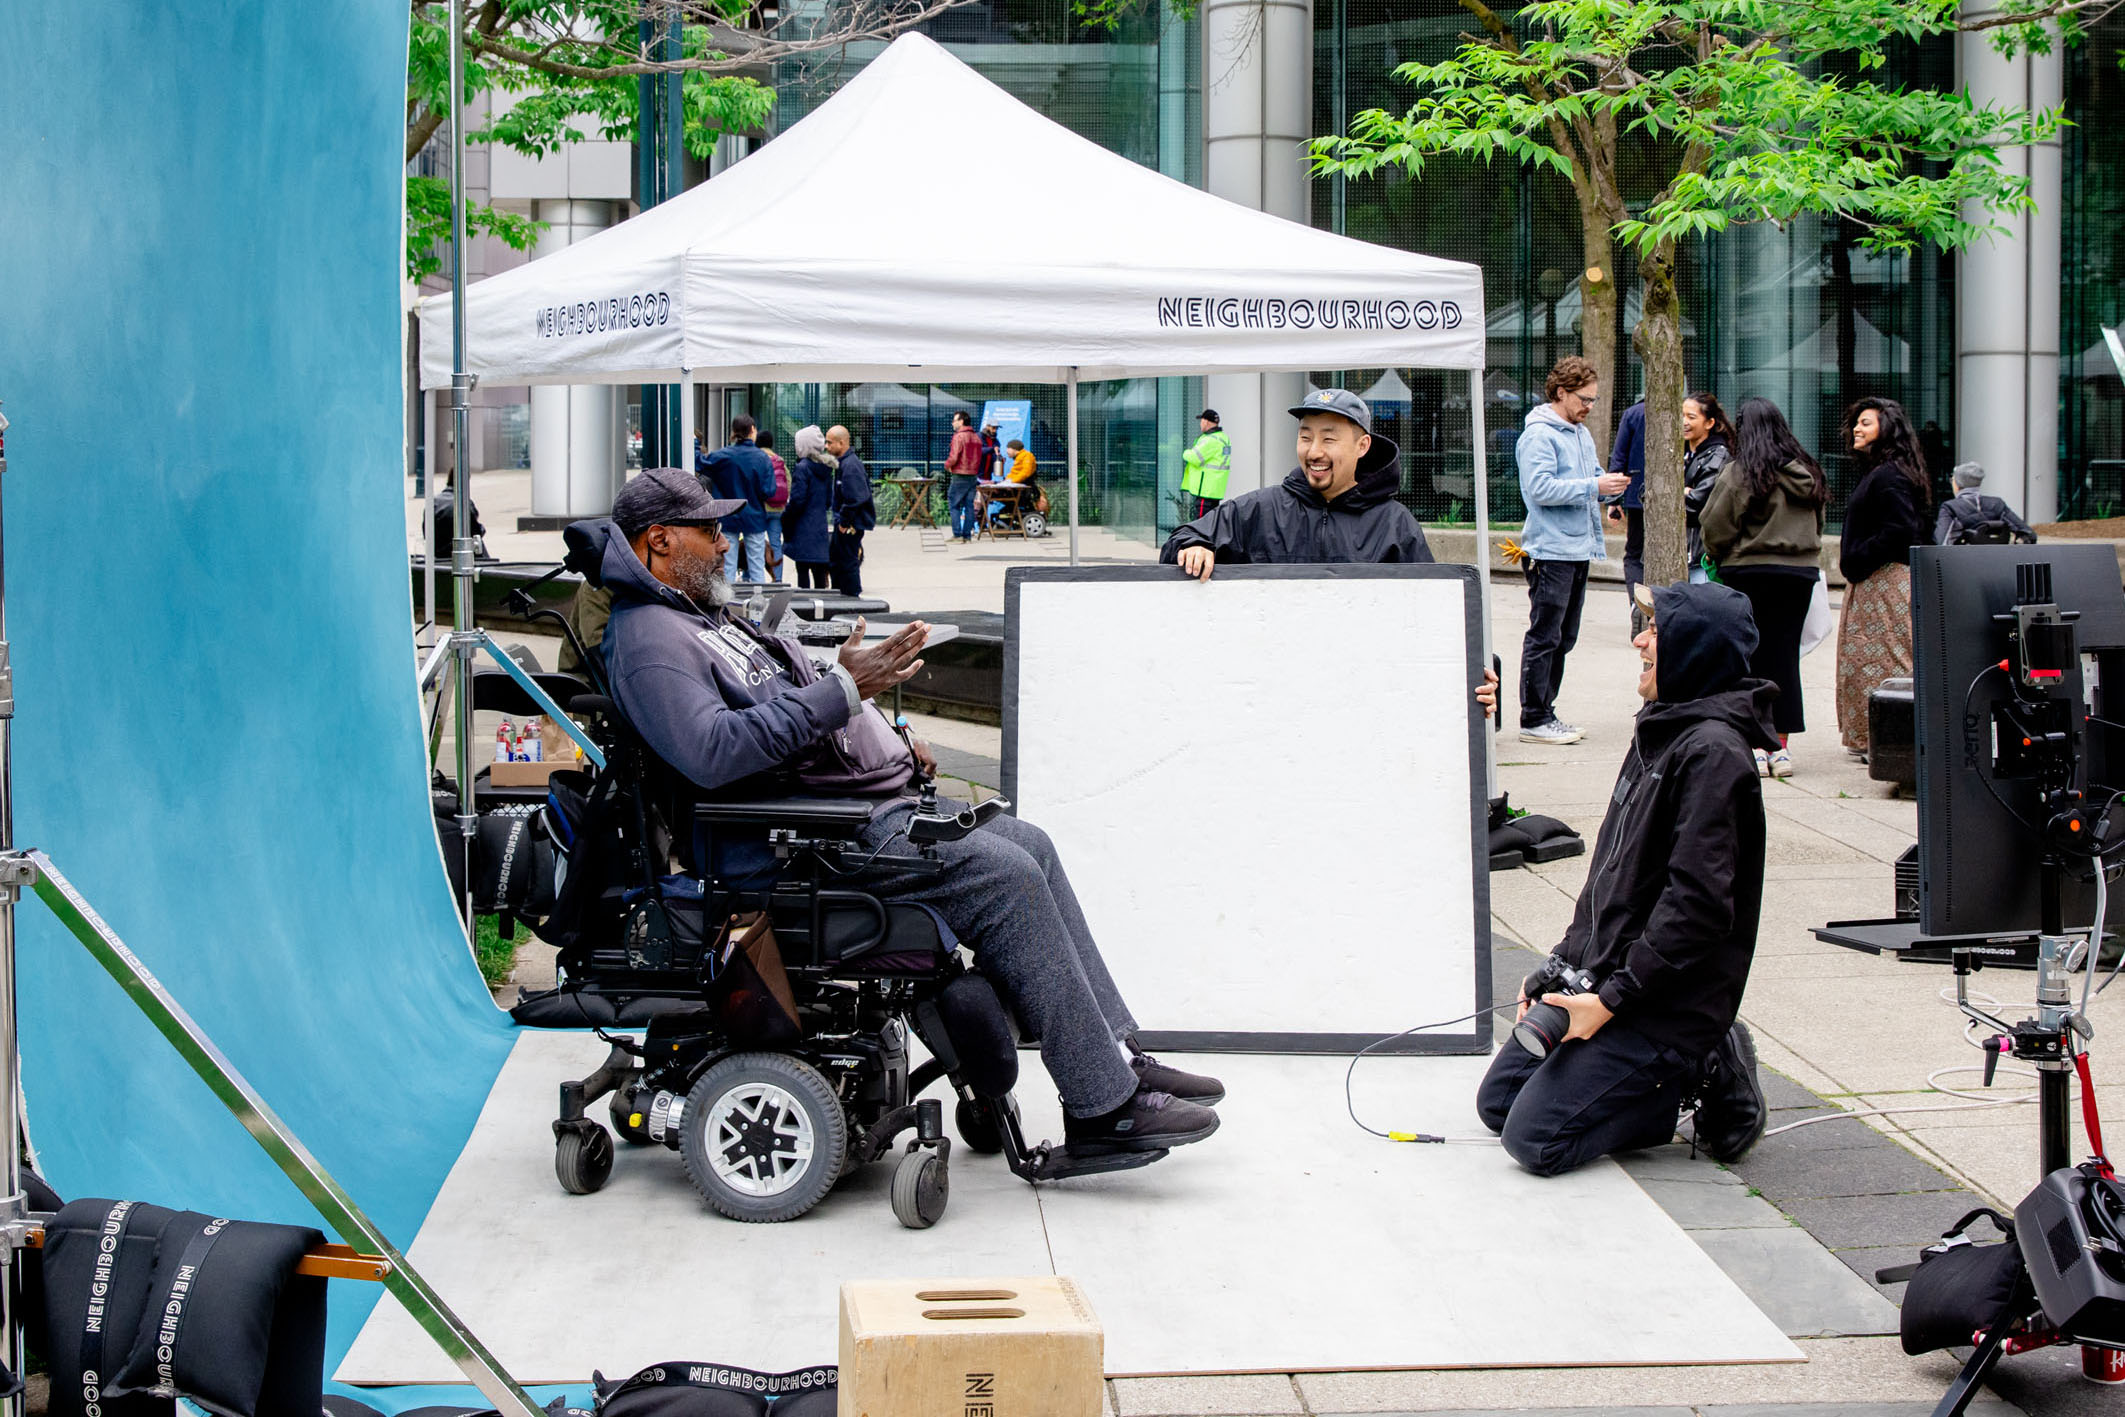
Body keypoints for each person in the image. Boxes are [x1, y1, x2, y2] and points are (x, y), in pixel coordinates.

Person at [588, 466, 1226, 1159]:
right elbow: (711, 754)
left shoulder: (697, 616)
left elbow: (782, 713)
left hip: (841, 811)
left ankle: (1117, 1054)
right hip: (792, 840)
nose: (723, 542)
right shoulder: (651, 640)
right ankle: (1102, 1108)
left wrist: (869, 719)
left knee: (1030, 844)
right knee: (1004, 877)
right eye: (707, 530)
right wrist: (842, 690)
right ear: (657, 542)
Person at [1478, 581, 1774, 1177]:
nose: (1640, 641)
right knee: (1498, 1105)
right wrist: (1561, 965)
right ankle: (1645, 1064)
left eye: (1655, 631)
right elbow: (1613, 879)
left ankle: (1704, 1061)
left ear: (1695, 649)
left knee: (1536, 1141)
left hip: (1663, 1001)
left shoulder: (1714, 753)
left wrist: (1609, 1003)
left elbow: (1695, 911)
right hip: (1619, 978)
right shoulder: (1663, 724)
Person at [1160, 389, 1500, 716]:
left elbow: (1433, 622)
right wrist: (1194, 546)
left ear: (1362, 445)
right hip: (1269, 703)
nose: (1314, 451)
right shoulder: (1260, 508)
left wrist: (1469, 674)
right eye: (1305, 437)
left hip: (1362, 708)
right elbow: (1180, 541)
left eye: (1329, 438)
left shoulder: (1395, 525)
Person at [1701, 398, 1826, 781]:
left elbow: (1715, 526)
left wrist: (1718, 555)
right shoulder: (1808, 474)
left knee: (1747, 659)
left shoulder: (1741, 473)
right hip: (1798, 576)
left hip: (1749, 572)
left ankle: (1753, 745)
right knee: (1785, 659)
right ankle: (1780, 748)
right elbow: (1818, 523)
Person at [1516, 356, 1632, 746]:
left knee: (1564, 637)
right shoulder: (1539, 436)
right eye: (1584, 398)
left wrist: (1608, 486)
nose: (1589, 406)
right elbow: (1541, 489)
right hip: (1550, 550)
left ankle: (1545, 712)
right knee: (1545, 635)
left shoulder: (1578, 432)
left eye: (1594, 400)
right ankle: (1534, 716)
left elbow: (1589, 476)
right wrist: (1594, 488)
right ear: (1560, 392)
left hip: (1576, 548)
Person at [1835, 396, 1932, 755]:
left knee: (1882, 661)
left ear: (1886, 430)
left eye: (1866, 423)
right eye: (1857, 422)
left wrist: (1861, 556)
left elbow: (1900, 528)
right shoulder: (1885, 472)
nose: (1857, 428)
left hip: (1885, 583)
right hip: (1874, 580)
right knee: (1865, 663)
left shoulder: (1890, 475)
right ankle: (1876, 739)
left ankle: (1887, 741)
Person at [699, 415, 775, 584]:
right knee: (756, 565)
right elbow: (769, 491)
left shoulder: (723, 456)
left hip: (728, 516)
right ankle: (758, 605)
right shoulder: (762, 458)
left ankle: (729, 605)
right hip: (754, 517)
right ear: (752, 430)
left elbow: (700, 463)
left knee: (727, 566)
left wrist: (695, 443)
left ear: (734, 432)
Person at [1681, 391, 1736, 583]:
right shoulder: (1682, 453)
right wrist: (1684, 492)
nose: (1684, 422)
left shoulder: (1718, 456)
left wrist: (1681, 493)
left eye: (1691, 417)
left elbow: (1699, 504)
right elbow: (1648, 493)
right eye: (1681, 415)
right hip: (1684, 552)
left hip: (1700, 557)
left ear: (1709, 423)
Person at [1607, 395, 1647, 631]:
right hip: (1676, 496)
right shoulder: (1682, 412)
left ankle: (1637, 602)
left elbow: (1619, 454)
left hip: (1637, 493)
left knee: (1634, 553)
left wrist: (1614, 500)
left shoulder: (1633, 413)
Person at [783, 425, 838, 590]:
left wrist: (786, 515)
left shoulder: (802, 468)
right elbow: (829, 500)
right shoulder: (827, 468)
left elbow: (798, 500)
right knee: (820, 575)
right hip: (819, 528)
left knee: (803, 574)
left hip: (802, 528)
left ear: (803, 446)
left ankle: (806, 610)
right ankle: (823, 610)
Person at [824, 425, 875, 597]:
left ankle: (851, 598)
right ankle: (842, 596)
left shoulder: (850, 466)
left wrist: (845, 522)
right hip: (845, 523)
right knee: (838, 562)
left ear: (842, 443)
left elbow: (856, 497)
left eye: (830, 443)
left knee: (847, 563)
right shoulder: (844, 464)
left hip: (849, 524)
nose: (826, 446)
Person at [1935, 461, 2037, 546]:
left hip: (1960, 564)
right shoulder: (1997, 504)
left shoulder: (1950, 507)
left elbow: (1939, 543)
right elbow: (2029, 535)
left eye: (1952, 480)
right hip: (1997, 563)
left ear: (1958, 484)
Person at [1180, 409, 1233, 521]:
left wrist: (1185, 452)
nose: (1200, 424)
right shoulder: (1223, 438)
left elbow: (1194, 457)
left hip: (1205, 490)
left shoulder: (1211, 440)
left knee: (1200, 524)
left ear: (1206, 422)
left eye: (1201, 421)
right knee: (1211, 524)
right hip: (1214, 489)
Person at [756, 426, 791, 583]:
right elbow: (788, 482)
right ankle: (777, 579)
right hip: (777, 509)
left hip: (760, 508)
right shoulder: (779, 460)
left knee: (755, 542)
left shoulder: (757, 458)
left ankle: (752, 576)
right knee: (776, 544)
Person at [945, 410, 985, 544]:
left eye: (954, 420)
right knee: (969, 506)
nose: (952, 423)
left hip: (960, 475)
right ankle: (967, 536)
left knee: (954, 504)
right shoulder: (976, 437)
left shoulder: (958, 436)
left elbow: (954, 456)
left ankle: (957, 535)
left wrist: (947, 465)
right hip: (973, 475)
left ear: (961, 421)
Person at [974, 439, 1037, 523]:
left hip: (1021, 491)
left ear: (1014, 449)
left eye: (1008, 448)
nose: (1006, 451)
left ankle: (978, 520)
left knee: (985, 493)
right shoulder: (1018, 458)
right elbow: (1013, 475)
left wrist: (1011, 482)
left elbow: (1026, 472)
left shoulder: (1027, 456)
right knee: (983, 492)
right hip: (1014, 487)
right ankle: (980, 520)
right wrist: (1002, 482)